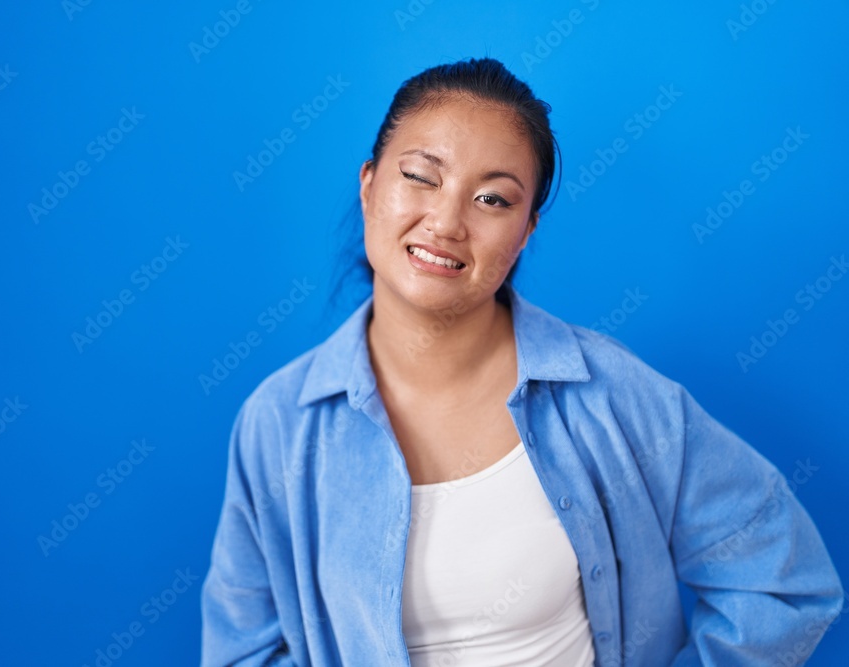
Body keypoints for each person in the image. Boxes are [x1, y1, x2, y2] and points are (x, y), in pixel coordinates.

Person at [200, 57, 844, 666]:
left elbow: (783, 580)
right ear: (369, 187)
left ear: (527, 230)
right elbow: (244, 650)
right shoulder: (279, 425)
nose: (447, 222)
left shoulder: (610, 394)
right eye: (421, 177)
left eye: (493, 200)